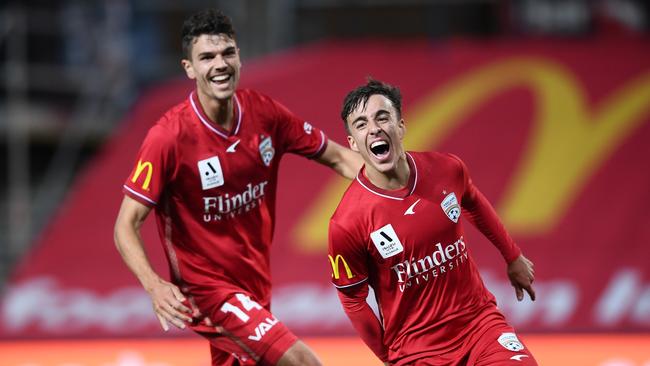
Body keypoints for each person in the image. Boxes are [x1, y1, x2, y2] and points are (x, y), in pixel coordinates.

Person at [113, 9, 362, 366]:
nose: (220, 64)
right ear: (189, 68)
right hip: (206, 290)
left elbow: (339, 157)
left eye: (228, 53)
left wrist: (397, 186)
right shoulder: (168, 137)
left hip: (255, 283)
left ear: (240, 58)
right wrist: (154, 285)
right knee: (303, 363)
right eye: (207, 57)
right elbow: (125, 225)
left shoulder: (265, 114)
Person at [328, 79, 538, 365]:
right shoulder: (347, 221)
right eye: (362, 124)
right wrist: (388, 357)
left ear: (400, 126)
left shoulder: (446, 169)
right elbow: (353, 299)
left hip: (480, 327)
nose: (374, 128)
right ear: (353, 143)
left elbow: (472, 200)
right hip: (417, 351)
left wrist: (512, 255)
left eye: (382, 117)